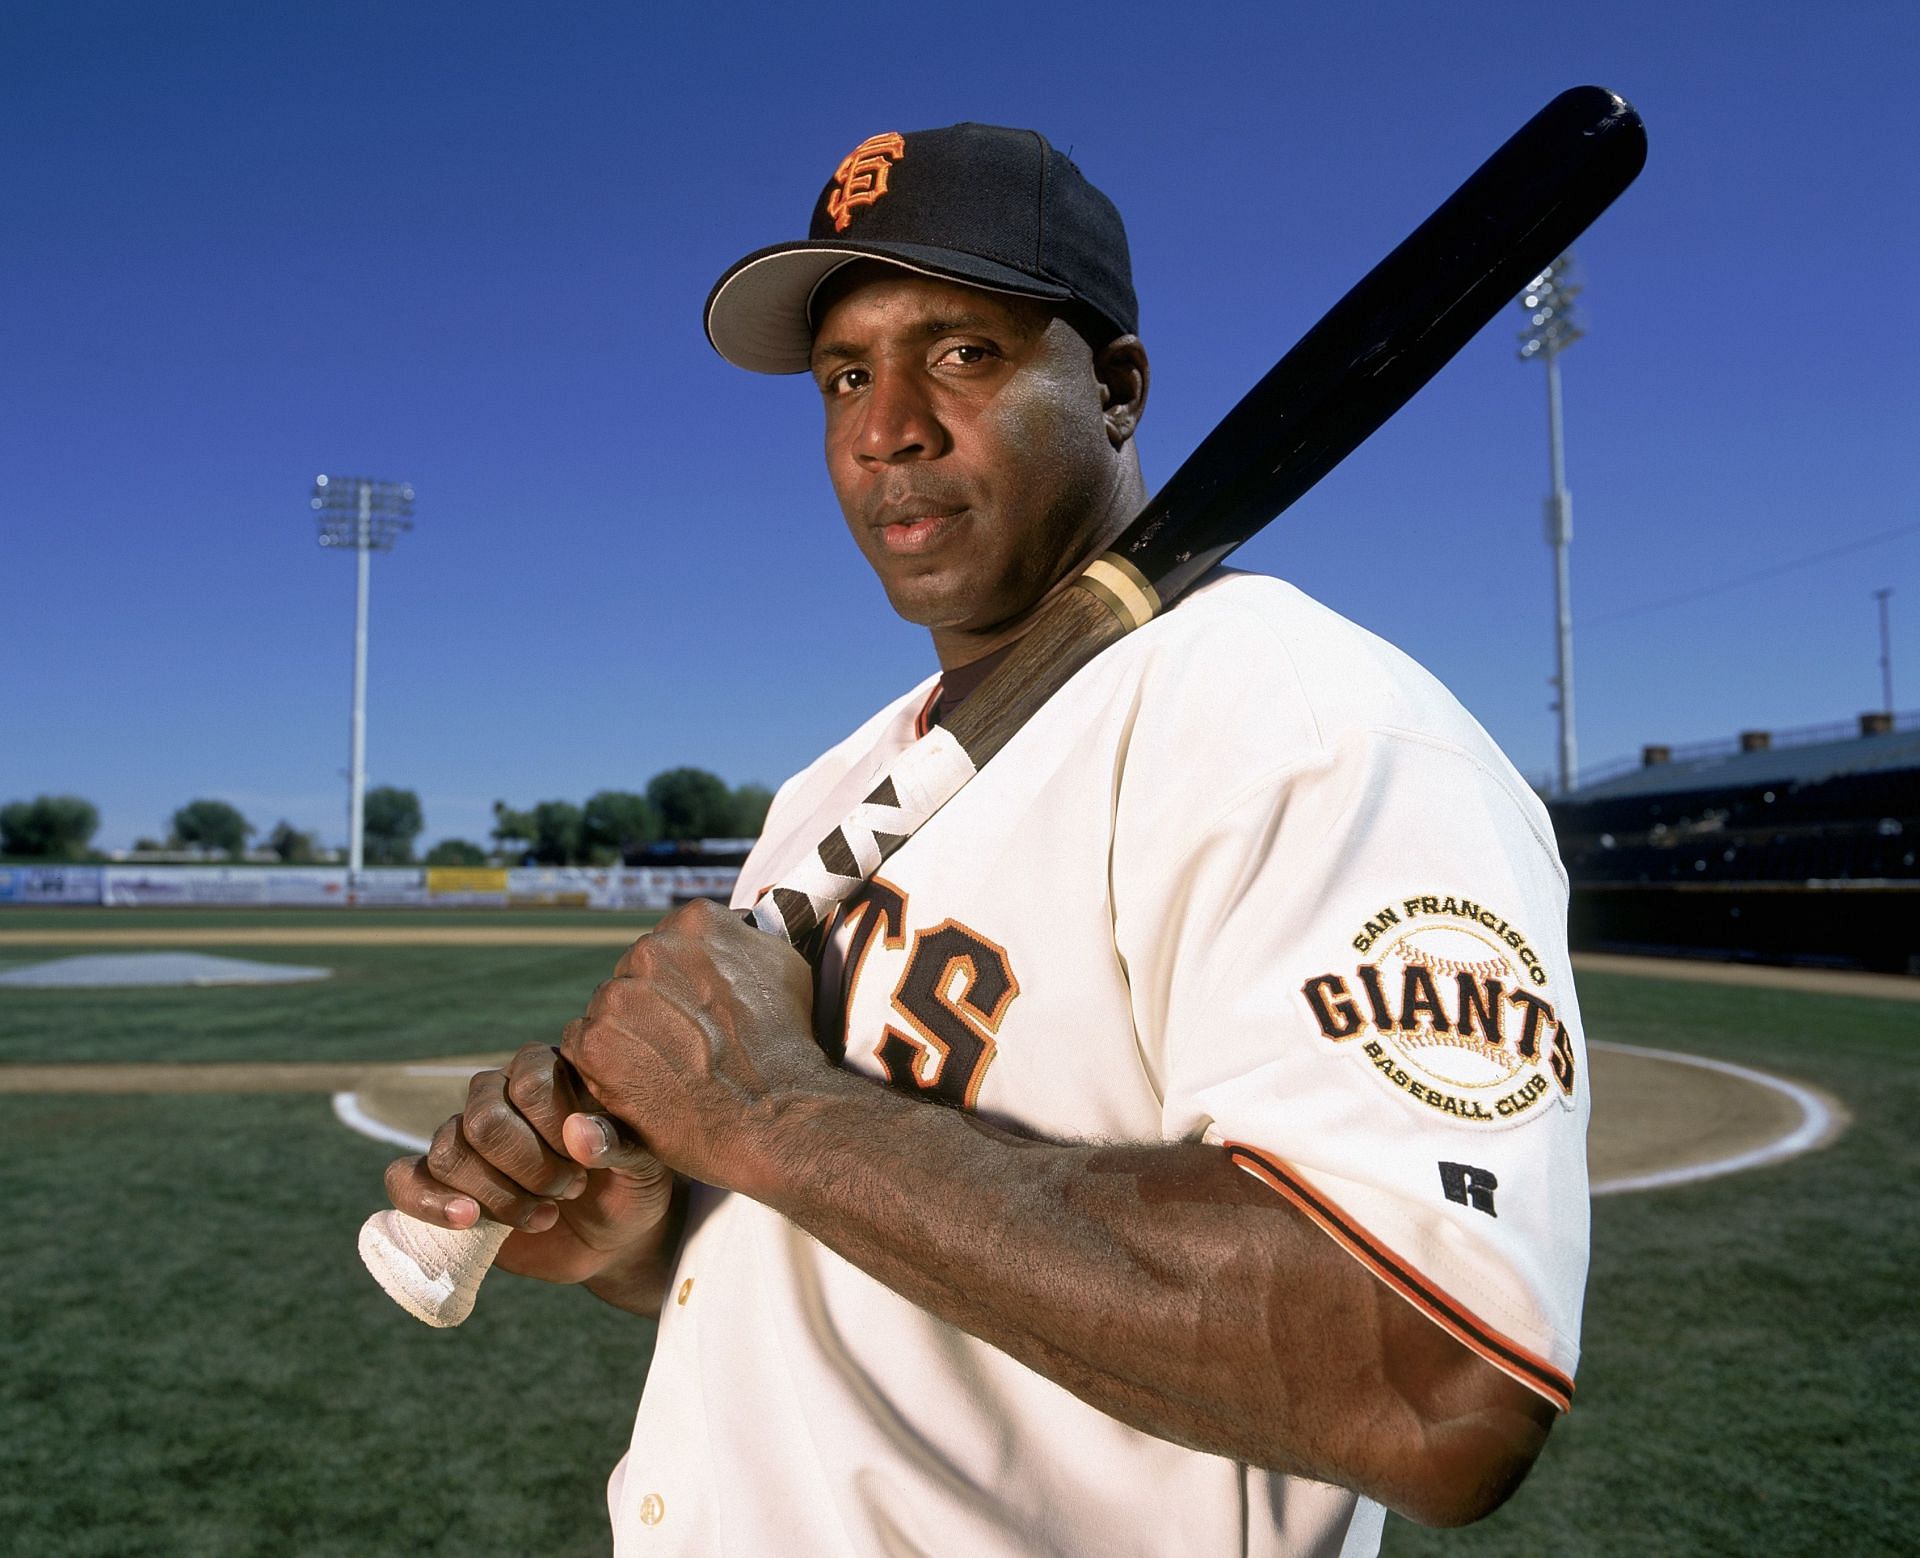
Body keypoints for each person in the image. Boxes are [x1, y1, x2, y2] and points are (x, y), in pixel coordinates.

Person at [384, 123, 1590, 1556]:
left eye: (959, 353)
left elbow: (1435, 1383)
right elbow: (856, 1238)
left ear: (1118, 389)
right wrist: (651, 1223)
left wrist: (775, 1110)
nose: (884, 423)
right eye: (844, 375)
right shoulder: (827, 790)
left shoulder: (1308, 725)